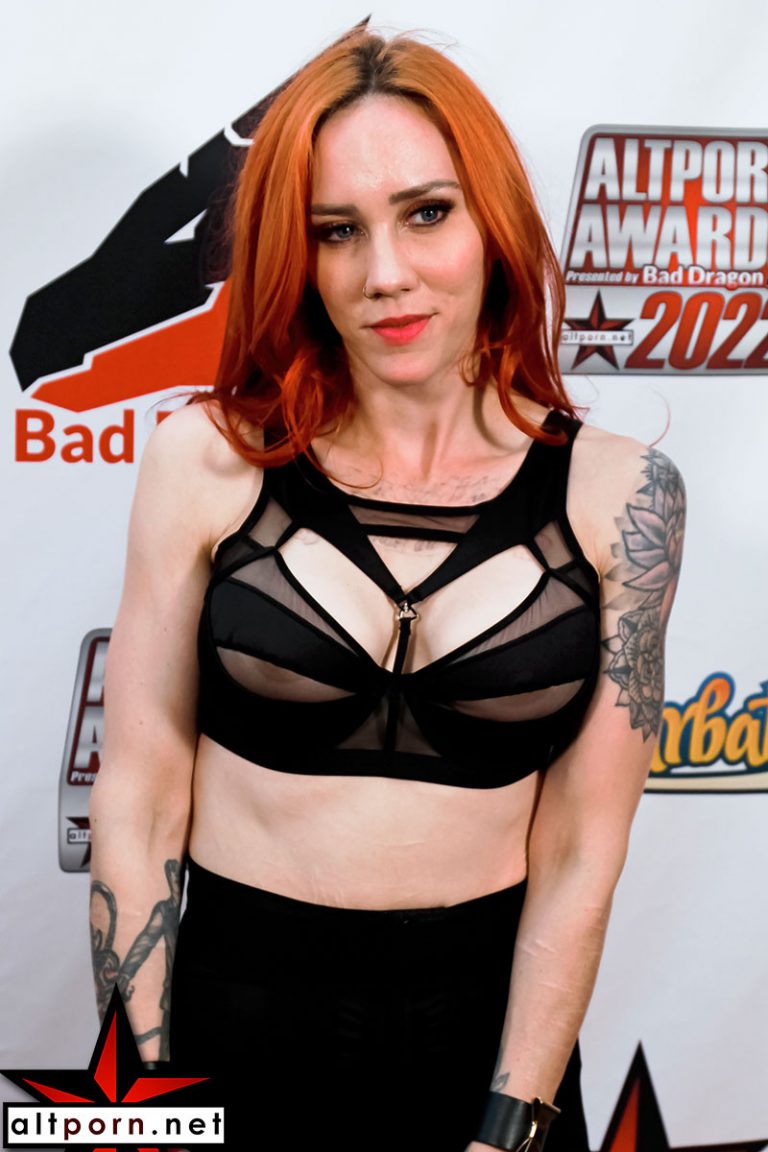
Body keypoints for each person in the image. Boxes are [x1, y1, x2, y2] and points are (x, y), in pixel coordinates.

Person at [88, 28, 685, 1152]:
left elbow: (579, 852)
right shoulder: (204, 460)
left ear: (493, 222)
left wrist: (511, 1122)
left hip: (487, 1041)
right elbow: (140, 802)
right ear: (299, 256)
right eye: (337, 231)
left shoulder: (627, 498)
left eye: (427, 213)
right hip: (231, 1023)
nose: (385, 275)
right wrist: (143, 1114)